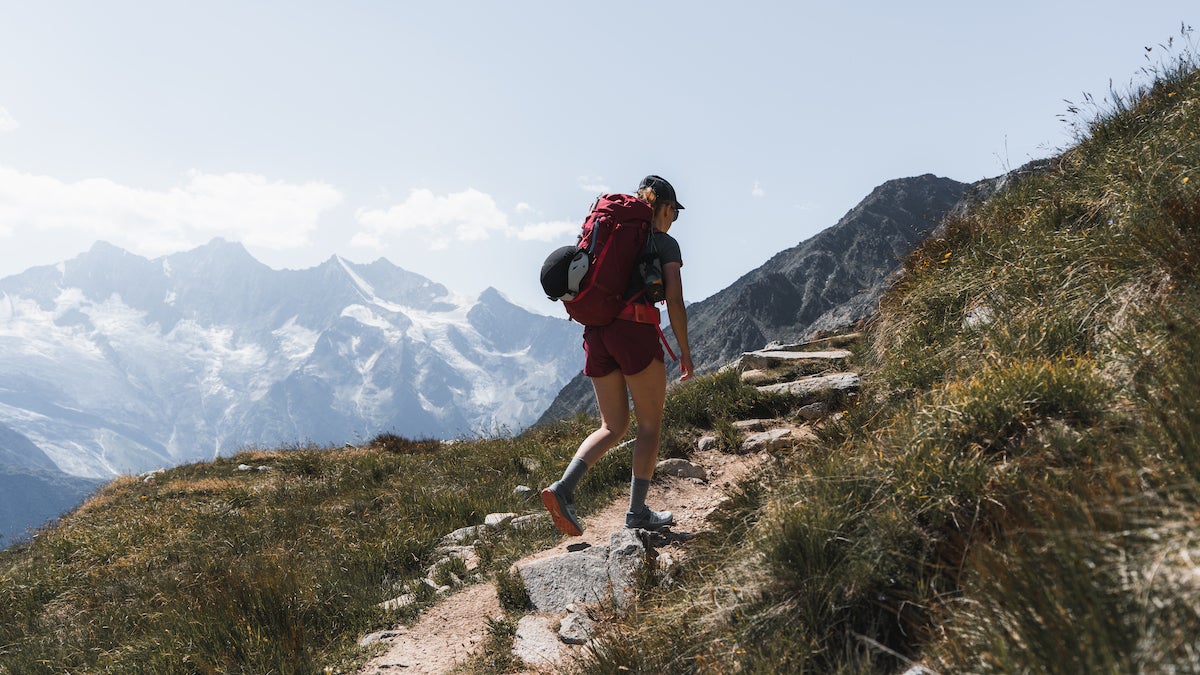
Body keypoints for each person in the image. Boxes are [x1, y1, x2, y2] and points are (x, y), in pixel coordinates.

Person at [541, 175, 695, 535]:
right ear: (666, 207)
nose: (674, 219)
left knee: (612, 426)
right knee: (649, 425)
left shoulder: (610, 238)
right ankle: (637, 512)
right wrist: (685, 351)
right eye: (675, 212)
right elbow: (674, 298)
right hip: (635, 332)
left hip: (596, 334)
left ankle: (563, 488)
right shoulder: (664, 243)